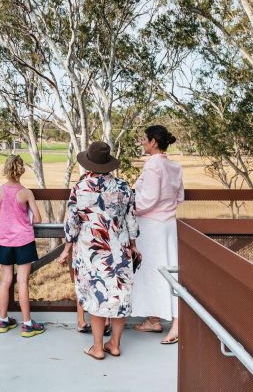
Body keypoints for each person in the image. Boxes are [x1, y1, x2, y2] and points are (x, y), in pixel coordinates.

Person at [59, 141, 139, 360]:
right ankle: (114, 344)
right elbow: (132, 221)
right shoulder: (123, 187)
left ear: (89, 163)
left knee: (95, 295)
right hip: (119, 250)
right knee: (119, 296)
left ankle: (97, 347)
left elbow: (72, 223)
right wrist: (133, 246)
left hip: (91, 251)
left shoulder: (81, 187)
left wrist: (67, 246)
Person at [130, 125, 186, 345]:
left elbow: (148, 199)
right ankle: (153, 320)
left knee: (154, 273)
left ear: (153, 142)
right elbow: (179, 197)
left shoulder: (153, 165)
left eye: (144, 139)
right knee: (168, 272)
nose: (142, 142)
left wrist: (129, 207)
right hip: (169, 225)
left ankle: (175, 325)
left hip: (152, 226)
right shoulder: (174, 166)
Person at [0, 155, 46, 337]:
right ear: (21, 170)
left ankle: (3, 321)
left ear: (6, 169)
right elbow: (38, 218)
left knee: (5, 280)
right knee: (22, 281)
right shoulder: (26, 193)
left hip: (5, 241)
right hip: (24, 240)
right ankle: (27, 324)